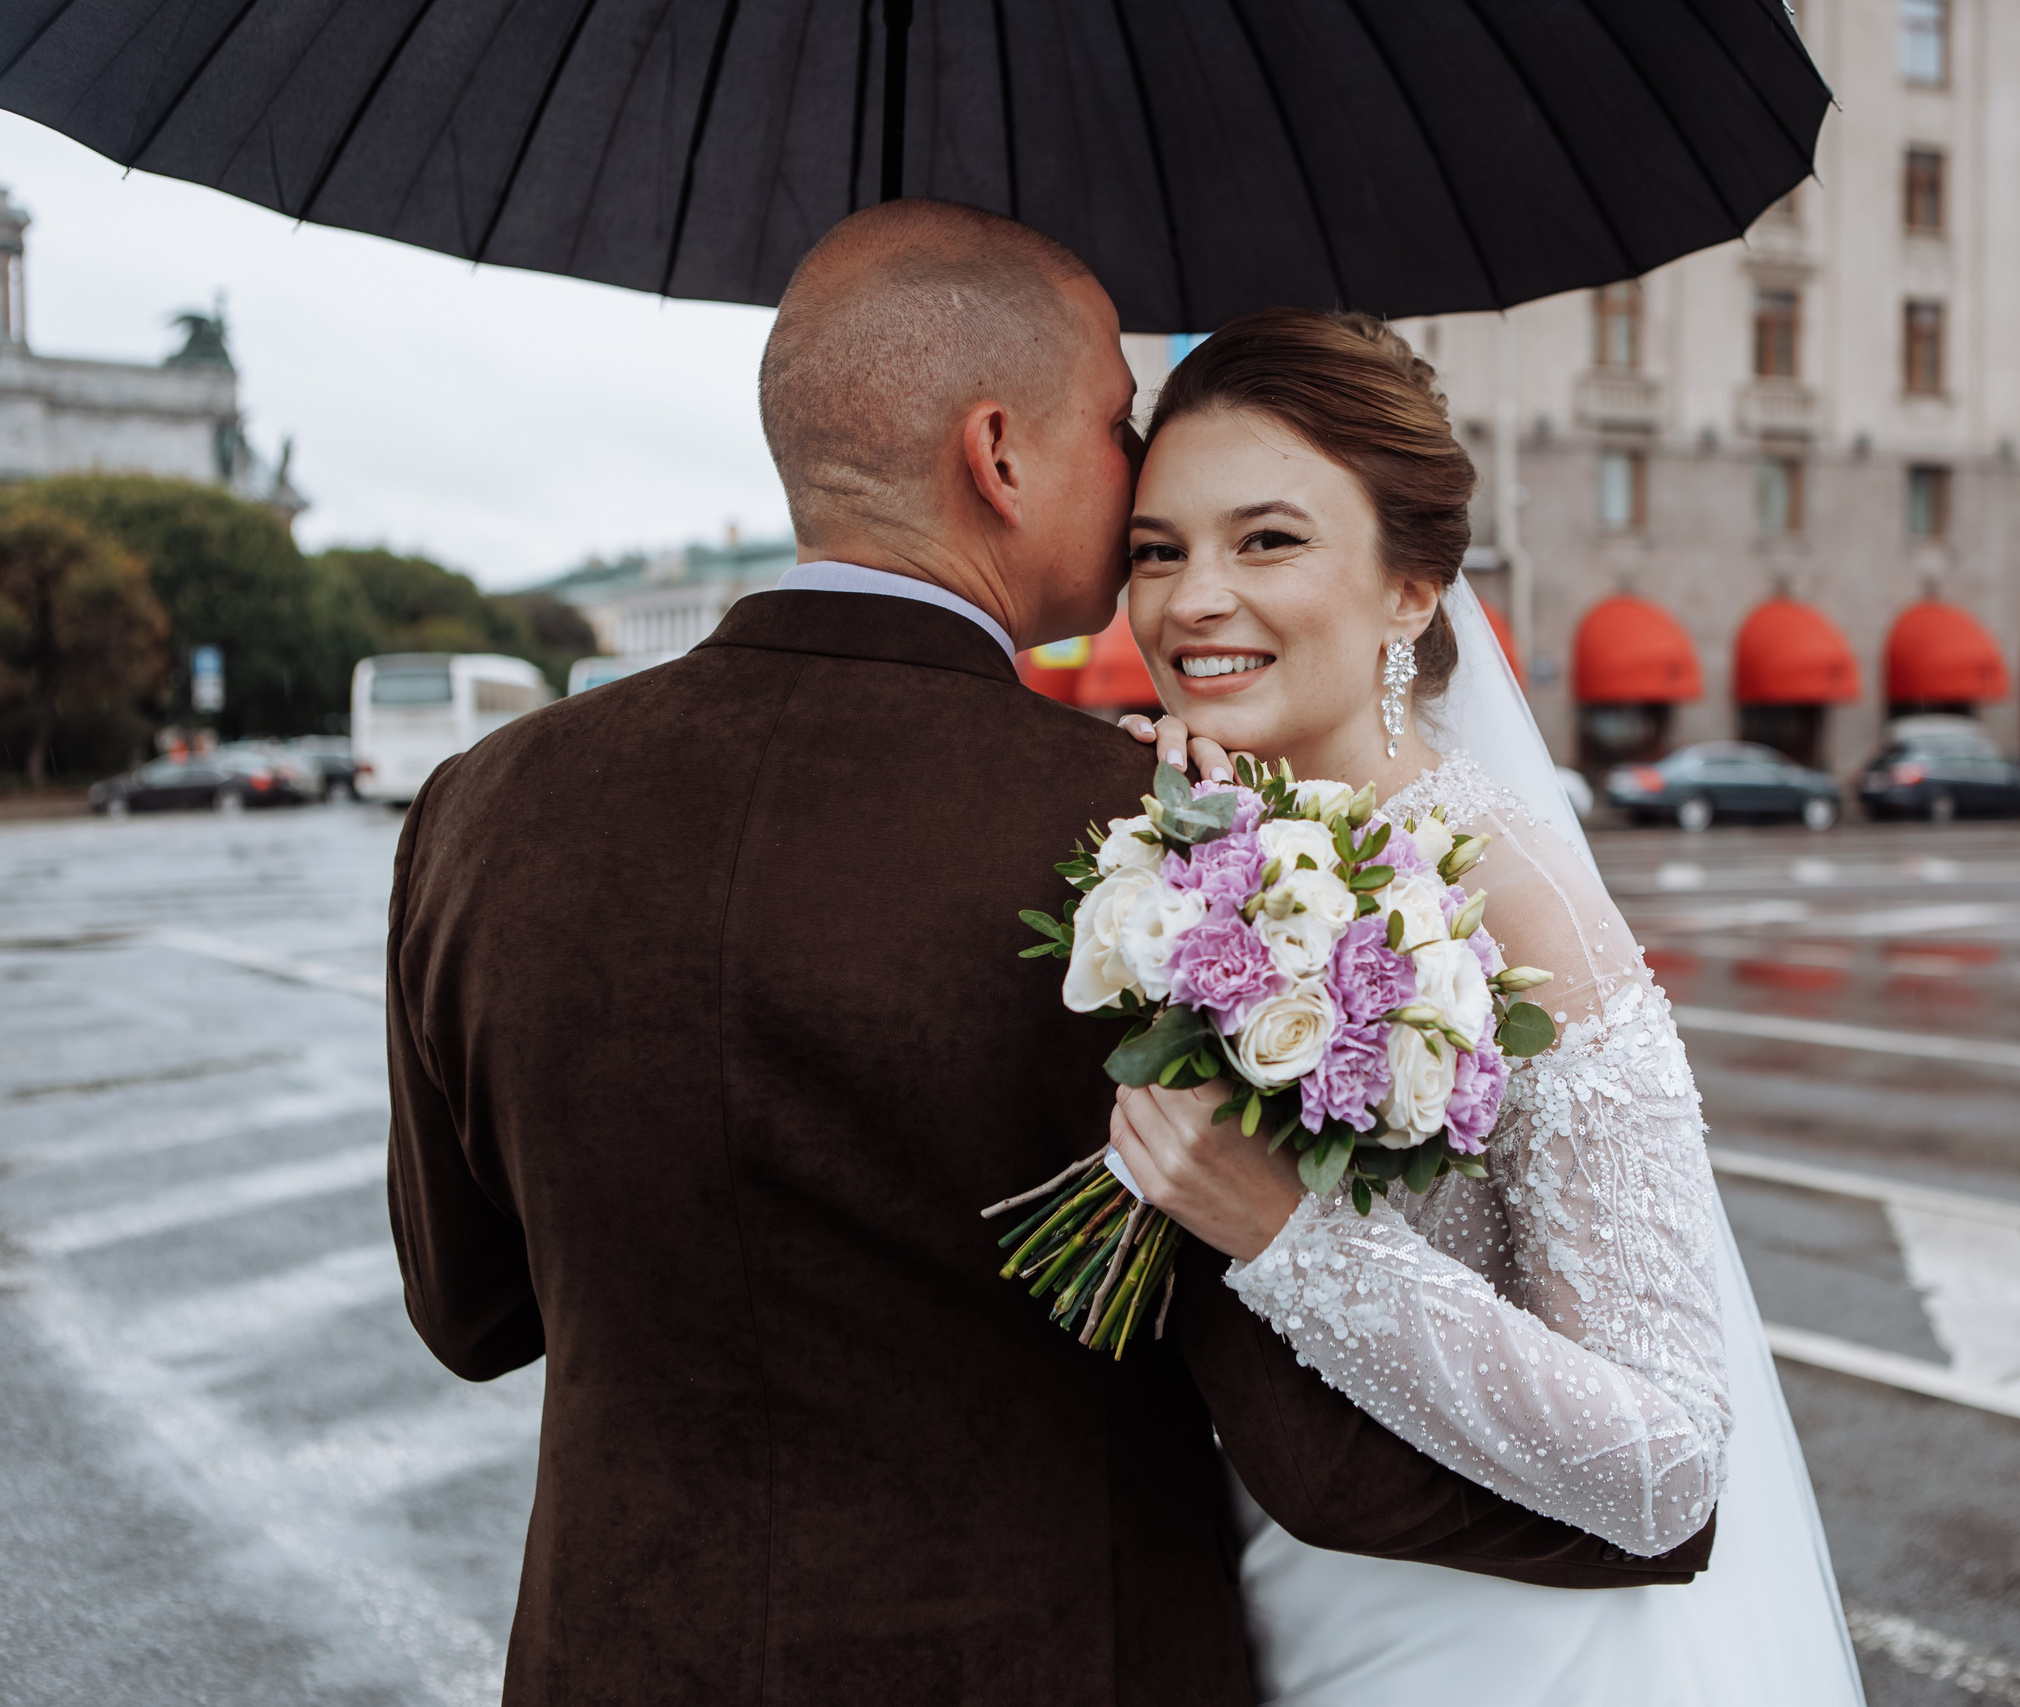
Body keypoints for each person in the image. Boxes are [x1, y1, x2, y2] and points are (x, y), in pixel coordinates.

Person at [383, 202, 1712, 1707]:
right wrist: (1646, 1544)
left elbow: (472, 1313)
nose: (1133, 466)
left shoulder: (476, 807)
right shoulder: (1164, 849)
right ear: (1000, 455)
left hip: (613, 1653)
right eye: (1115, 424)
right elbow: (1313, 1458)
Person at [1101, 309, 1867, 1706]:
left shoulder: (1516, 898)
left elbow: (1667, 1462)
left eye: (1265, 541)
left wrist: (1284, 1229)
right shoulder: (1188, 839)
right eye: (1158, 551)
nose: (1191, 599)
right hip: (1276, 1596)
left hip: (1500, 1646)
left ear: (1411, 590)